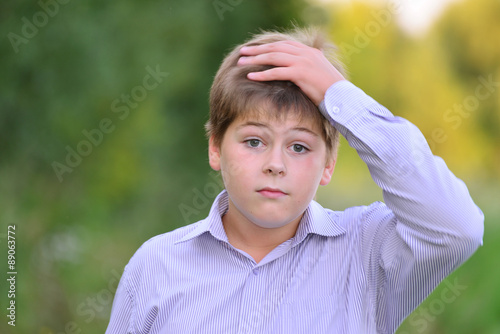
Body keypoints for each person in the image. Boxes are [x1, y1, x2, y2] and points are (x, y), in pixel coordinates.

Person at [105, 27, 484, 333]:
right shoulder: (157, 265)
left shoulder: (367, 255)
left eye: (299, 147)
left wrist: (339, 95)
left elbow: (457, 226)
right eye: (254, 141)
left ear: (328, 163)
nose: (275, 164)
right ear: (216, 148)